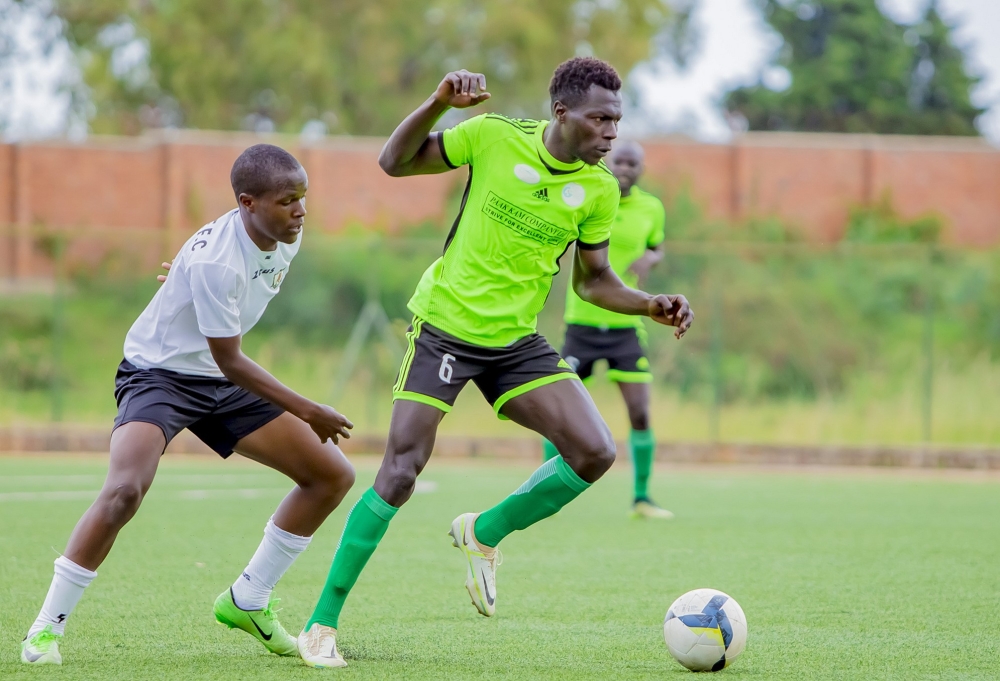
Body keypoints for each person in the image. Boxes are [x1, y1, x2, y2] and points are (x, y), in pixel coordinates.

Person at [296, 58, 693, 669]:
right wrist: (437, 103)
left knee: (594, 452)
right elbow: (394, 162)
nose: (611, 133)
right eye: (600, 119)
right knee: (401, 471)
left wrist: (648, 304)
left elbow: (592, 281)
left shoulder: (598, 190)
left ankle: (483, 533)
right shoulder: (491, 135)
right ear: (562, 112)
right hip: (445, 330)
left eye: (617, 121)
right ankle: (320, 625)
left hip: (515, 344)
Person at [20, 144, 356, 666]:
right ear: (247, 203)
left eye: (302, 197)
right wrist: (309, 409)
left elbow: (228, 317)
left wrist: (186, 280)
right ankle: (45, 629)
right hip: (160, 374)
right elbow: (232, 360)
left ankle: (248, 599)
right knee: (125, 490)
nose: (300, 211)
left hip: (219, 377)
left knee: (331, 475)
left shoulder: (282, 234)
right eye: (288, 200)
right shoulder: (216, 262)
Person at [542, 141, 673, 519]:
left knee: (640, 412)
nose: (626, 168)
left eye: (633, 163)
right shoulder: (590, 195)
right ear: (608, 162)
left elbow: (657, 246)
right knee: (556, 412)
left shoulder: (652, 208)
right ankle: (544, 492)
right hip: (581, 324)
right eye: (620, 161)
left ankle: (642, 498)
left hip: (625, 326)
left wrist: (651, 258)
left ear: (641, 168)